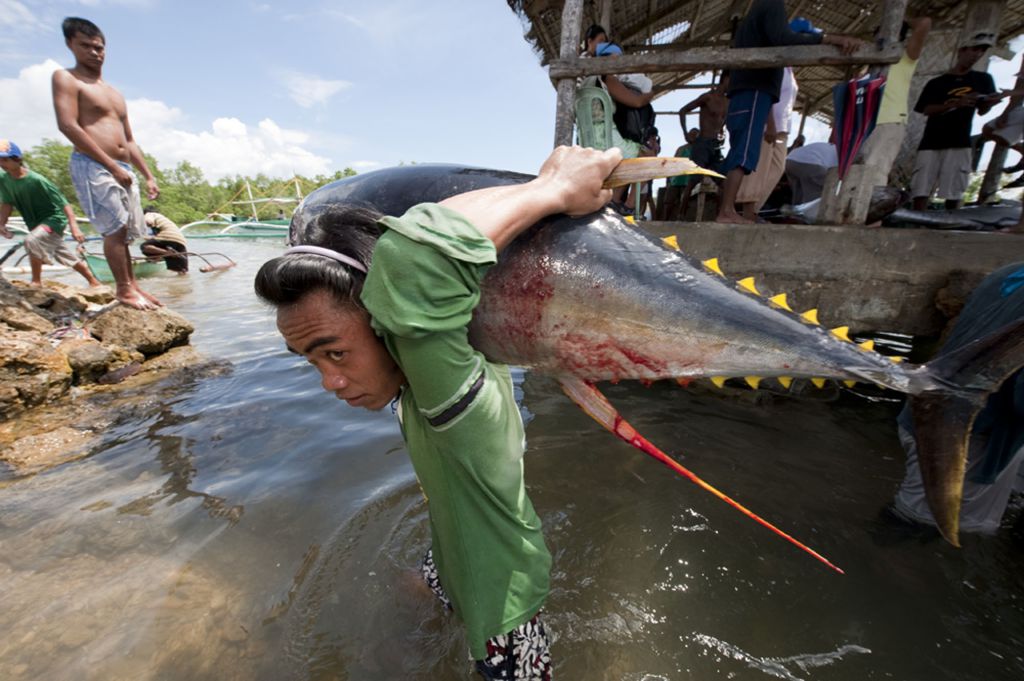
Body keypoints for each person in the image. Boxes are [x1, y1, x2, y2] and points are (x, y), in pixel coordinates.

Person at [255, 145, 621, 679]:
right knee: (414, 588)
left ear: (388, 323)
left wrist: (552, 189)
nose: (330, 382)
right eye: (310, 361)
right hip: (451, 558)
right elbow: (420, 271)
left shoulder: (454, 398)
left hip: (503, 609)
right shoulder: (435, 378)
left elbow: (414, 263)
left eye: (336, 353)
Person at [890, 262, 1024, 534]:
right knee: (924, 527)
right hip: (965, 438)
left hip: (926, 410)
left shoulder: (1010, 271)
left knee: (917, 519)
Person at [717, 2, 862, 223]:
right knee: (742, 154)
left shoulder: (761, 12)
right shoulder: (771, 5)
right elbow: (782, 38)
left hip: (755, 93)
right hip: (754, 91)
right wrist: (830, 39)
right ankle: (726, 211)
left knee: (744, 154)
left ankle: (728, 211)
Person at [52, 17, 162, 310]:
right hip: (93, 163)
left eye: (99, 47)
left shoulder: (114, 93)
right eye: (85, 46)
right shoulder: (67, 79)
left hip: (123, 167)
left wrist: (148, 174)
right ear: (70, 45)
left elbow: (130, 140)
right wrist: (110, 166)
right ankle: (124, 290)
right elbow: (68, 126)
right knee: (113, 231)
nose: (94, 52)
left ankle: (133, 286)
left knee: (125, 233)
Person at [911, 31, 1002, 211]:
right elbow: (926, 109)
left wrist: (989, 103)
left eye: (981, 51)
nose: (977, 55)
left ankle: (950, 228)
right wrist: (956, 104)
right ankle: (917, 224)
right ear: (962, 51)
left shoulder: (983, 79)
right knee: (920, 189)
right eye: (975, 49)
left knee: (954, 192)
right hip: (931, 140)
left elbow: (982, 111)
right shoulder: (937, 83)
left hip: (959, 140)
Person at [0, 139, 101, 288]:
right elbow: (7, 203)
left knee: (31, 241)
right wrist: (2, 223)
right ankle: (94, 282)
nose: (2, 164)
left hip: (53, 220)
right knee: (63, 254)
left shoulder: (37, 180)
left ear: (17, 159)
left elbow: (63, 202)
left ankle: (36, 281)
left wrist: (74, 227)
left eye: (5, 159)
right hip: (35, 223)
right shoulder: (4, 179)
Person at [736, 65, 798, 221]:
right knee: (760, 169)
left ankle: (753, 208)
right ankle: (749, 211)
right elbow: (767, 93)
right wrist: (769, 122)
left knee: (777, 168)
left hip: (783, 127)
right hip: (768, 124)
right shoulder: (777, 67)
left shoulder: (790, 71)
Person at [677, 73, 729, 175]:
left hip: (716, 144)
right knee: (696, 176)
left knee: (721, 176)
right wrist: (686, 133)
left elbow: (723, 120)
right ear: (726, 79)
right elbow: (683, 111)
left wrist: (722, 131)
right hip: (703, 141)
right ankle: (687, 191)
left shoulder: (728, 101)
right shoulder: (708, 97)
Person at [141, 208, 189, 274]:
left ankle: (166, 253)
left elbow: (149, 221)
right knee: (182, 271)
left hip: (167, 237)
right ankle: (164, 255)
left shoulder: (149, 214)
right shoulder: (164, 219)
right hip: (180, 240)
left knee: (144, 246)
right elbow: (159, 239)